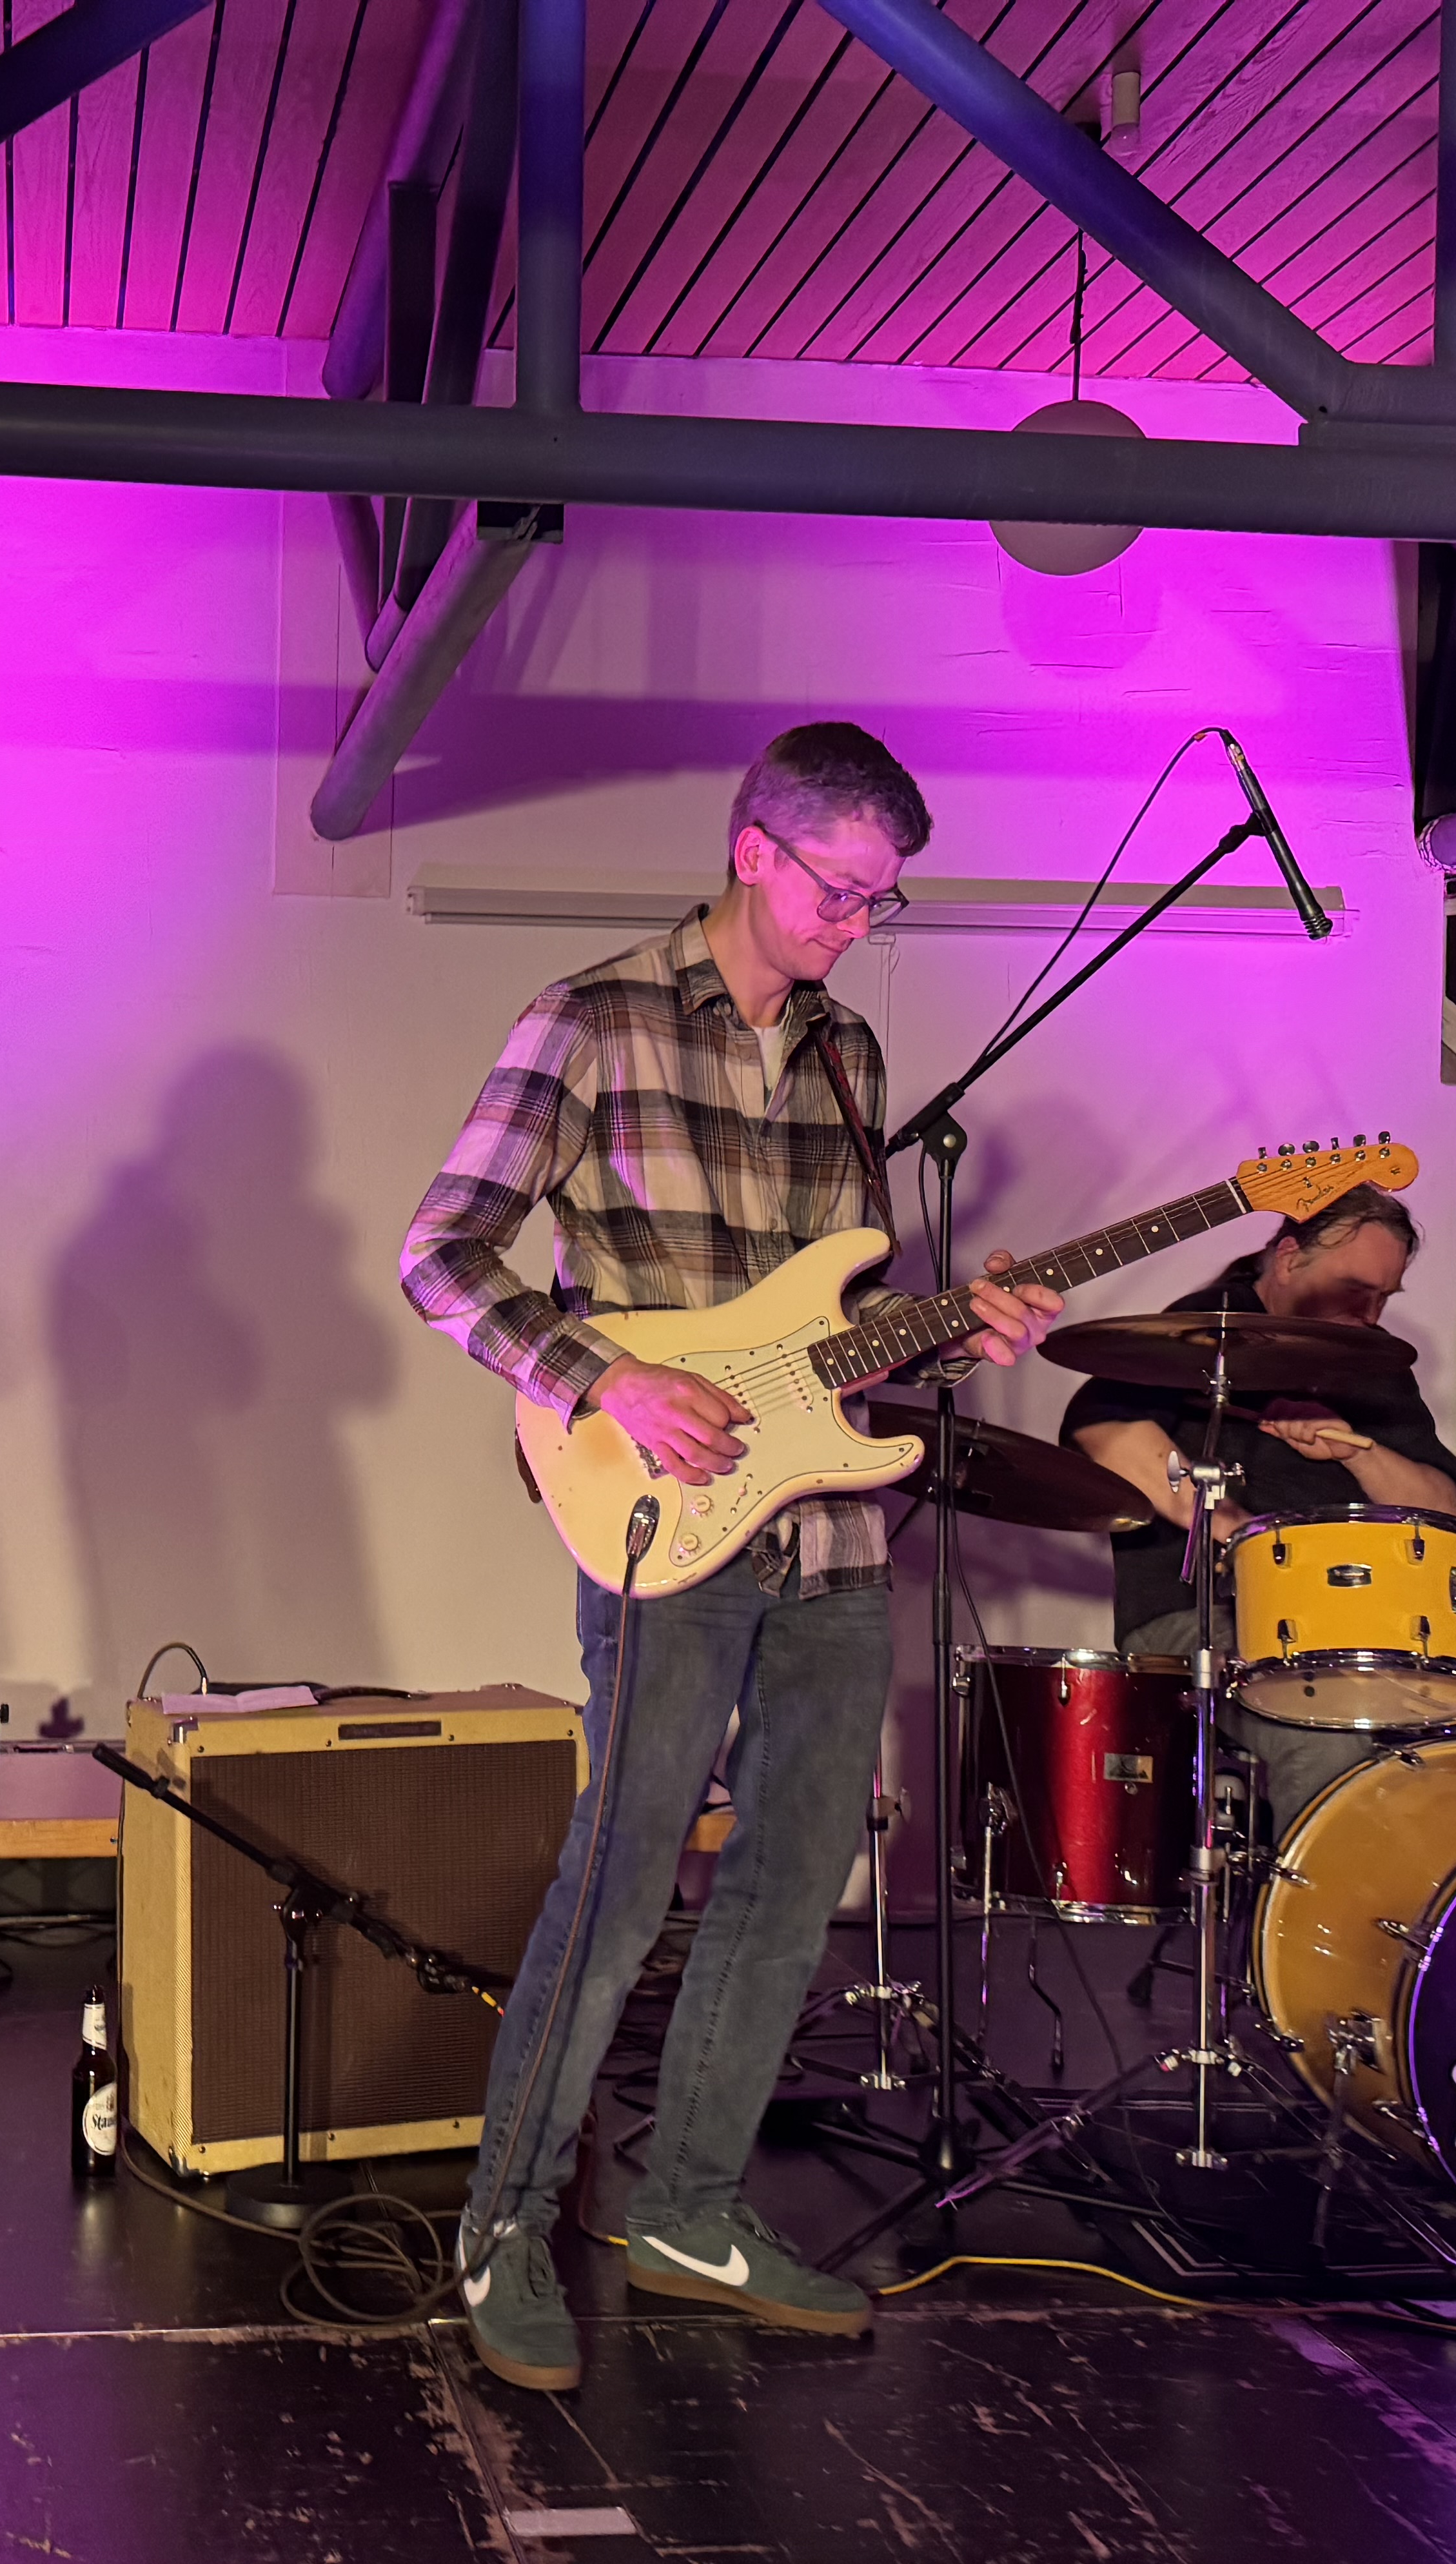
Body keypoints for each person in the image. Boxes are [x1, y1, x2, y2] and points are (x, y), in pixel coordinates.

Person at [398, 722, 1057, 2394]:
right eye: (840, 889)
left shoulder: (850, 1059)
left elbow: (829, 1331)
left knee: (790, 1884)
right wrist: (608, 1376)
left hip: (828, 1530)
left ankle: (689, 2212)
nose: (857, 923)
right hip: (662, 1522)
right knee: (622, 1881)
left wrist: (959, 1329)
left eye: (881, 900)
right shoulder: (594, 1017)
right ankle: (502, 2226)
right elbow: (443, 1254)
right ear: (754, 850)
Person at [1061, 1183, 1456, 1828]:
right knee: (1326, 1734)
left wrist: (1358, 1451)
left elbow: (1445, 1509)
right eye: (1354, 1289)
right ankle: (1315, 1894)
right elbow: (1102, 1432)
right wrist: (1243, 1534)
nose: (1369, 1312)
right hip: (1204, 1615)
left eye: (1384, 1297)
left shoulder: (1370, 1359)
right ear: (1288, 1257)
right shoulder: (1202, 1330)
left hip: (1356, 1625)